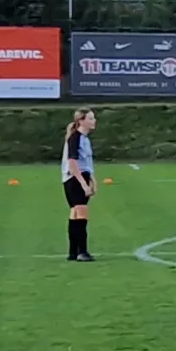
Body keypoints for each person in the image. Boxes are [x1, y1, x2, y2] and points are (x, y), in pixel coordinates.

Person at [62, 108, 98, 262]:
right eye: (90, 118)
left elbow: (86, 163)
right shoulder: (75, 138)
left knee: (75, 214)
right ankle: (82, 251)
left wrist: (92, 180)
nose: (94, 121)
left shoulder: (83, 138)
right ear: (81, 121)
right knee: (81, 215)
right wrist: (84, 184)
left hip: (79, 177)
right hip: (75, 179)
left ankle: (73, 252)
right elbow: (72, 163)